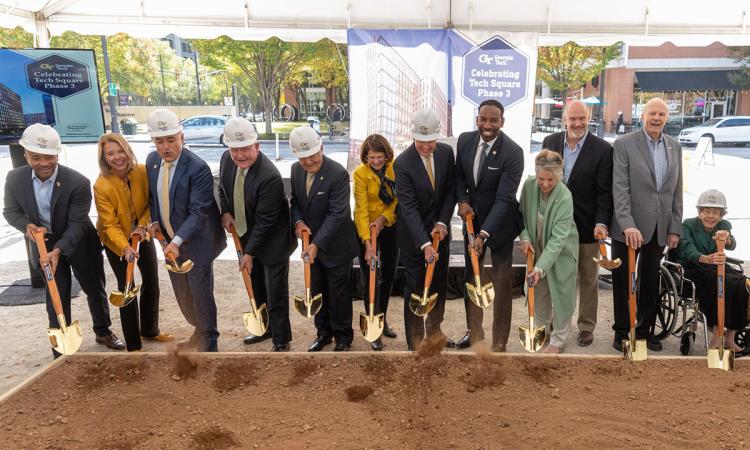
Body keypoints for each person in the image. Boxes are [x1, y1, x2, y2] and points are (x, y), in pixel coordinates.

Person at [3, 124, 125, 356]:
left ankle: (103, 331)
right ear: (26, 155)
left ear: (57, 154)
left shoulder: (77, 182)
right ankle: (61, 345)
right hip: (43, 243)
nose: (44, 163)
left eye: (49, 157)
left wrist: (59, 250)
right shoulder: (14, 178)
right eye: (36, 157)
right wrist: (26, 226)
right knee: (56, 292)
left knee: (94, 289)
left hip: (80, 241)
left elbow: (77, 223)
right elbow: (10, 211)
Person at [145, 109, 226, 352]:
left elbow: (199, 212)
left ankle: (209, 341)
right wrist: (155, 221)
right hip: (169, 242)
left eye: (171, 140)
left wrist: (177, 241)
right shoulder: (152, 161)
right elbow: (154, 197)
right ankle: (199, 329)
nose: (166, 147)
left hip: (197, 242)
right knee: (183, 296)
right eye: (160, 141)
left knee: (200, 293)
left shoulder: (197, 167)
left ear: (182, 137)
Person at [610, 98, 682, 352]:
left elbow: (676, 191)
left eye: (662, 114)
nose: (657, 118)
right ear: (643, 115)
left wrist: (674, 226)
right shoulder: (624, 145)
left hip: (658, 227)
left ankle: (644, 331)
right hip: (627, 228)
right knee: (622, 280)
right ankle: (621, 331)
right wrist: (627, 224)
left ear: (667, 118)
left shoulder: (674, 146)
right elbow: (619, 188)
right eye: (653, 112)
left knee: (650, 281)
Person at [218, 118, 296, 352]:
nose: (240, 155)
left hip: (273, 240)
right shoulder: (226, 160)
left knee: (275, 290)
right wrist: (225, 211)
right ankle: (264, 328)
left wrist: (249, 252)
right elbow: (222, 188)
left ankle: (281, 339)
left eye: (245, 149)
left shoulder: (269, 176)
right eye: (235, 150)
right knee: (256, 285)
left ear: (257, 146)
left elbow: (266, 222)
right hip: (245, 232)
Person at [454, 99, 524, 352]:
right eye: (483, 119)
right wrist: (462, 201)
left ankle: (499, 340)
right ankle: (474, 332)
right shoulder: (465, 140)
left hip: (501, 226)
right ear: (477, 119)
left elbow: (505, 198)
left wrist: (484, 234)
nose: (487, 124)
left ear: (502, 122)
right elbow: (459, 175)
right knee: (472, 278)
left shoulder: (513, 152)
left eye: (493, 120)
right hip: (471, 222)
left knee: (502, 282)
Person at [542, 100, 613, 347]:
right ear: (564, 119)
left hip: (587, 226)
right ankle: (558, 321)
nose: (577, 123)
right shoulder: (550, 143)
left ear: (589, 117)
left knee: (588, 279)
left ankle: (586, 326)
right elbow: (543, 183)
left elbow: (604, 193)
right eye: (572, 119)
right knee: (558, 277)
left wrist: (602, 223)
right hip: (555, 227)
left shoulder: (603, 149)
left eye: (582, 118)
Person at [93, 133, 173, 352]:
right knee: (126, 287)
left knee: (151, 280)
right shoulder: (101, 185)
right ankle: (133, 345)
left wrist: (143, 226)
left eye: (120, 151)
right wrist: (125, 247)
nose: (117, 157)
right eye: (111, 154)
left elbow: (150, 203)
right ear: (104, 158)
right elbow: (109, 224)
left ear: (127, 151)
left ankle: (149, 330)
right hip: (115, 240)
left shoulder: (141, 172)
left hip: (142, 232)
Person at [289, 126, 359, 352]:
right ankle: (323, 333)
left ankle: (343, 337)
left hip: (336, 245)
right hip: (311, 246)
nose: (309, 161)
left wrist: (317, 244)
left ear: (322, 148)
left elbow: (338, 214)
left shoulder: (337, 173)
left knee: (339, 294)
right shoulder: (295, 170)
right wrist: (298, 222)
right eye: (303, 158)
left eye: (313, 155)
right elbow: (296, 203)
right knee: (316, 290)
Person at [394, 108, 457, 350]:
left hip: (440, 234)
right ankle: (415, 340)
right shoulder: (402, 164)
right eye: (421, 143)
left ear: (437, 138)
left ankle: (435, 334)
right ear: (413, 138)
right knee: (416, 287)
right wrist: (425, 244)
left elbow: (449, 192)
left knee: (438, 285)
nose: (426, 148)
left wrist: (442, 223)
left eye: (430, 142)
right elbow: (408, 209)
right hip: (414, 239)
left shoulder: (446, 153)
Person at [518, 150, 579, 353]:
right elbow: (522, 217)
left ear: (559, 175)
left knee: (562, 293)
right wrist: (525, 237)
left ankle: (558, 340)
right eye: (541, 178)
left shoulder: (565, 196)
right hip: (535, 247)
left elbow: (558, 240)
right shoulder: (528, 186)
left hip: (561, 251)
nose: (545, 184)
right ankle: (541, 332)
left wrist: (540, 268)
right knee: (539, 291)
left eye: (550, 179)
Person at [673, 189, 747, 352]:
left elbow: (732, 243)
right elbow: (686, 248)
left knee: (741, 282)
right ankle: (716, 336)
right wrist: (705, 258)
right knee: (723, 282)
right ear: (699, 212)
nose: (710, 216)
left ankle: (730, 337)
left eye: (715, 212)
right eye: (706, 211)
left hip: (715, 266)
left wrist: (726, 240)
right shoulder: (688, 224)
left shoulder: (724, 225)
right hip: (692, 267)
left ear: (721, 215)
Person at [353, 134, 400, 351]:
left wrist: (384, 219)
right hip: (366, 227)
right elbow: (361, 209)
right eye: (372, 157)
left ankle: (382, 320)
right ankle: (373, 329)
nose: (376, 161)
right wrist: (367, 243)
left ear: (386, 155)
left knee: (388, 275)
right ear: (366, 156)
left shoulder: (394, 169)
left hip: (389, 225)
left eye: (380, 157)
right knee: (370, 277)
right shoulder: (360, 174)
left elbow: (397, 198)